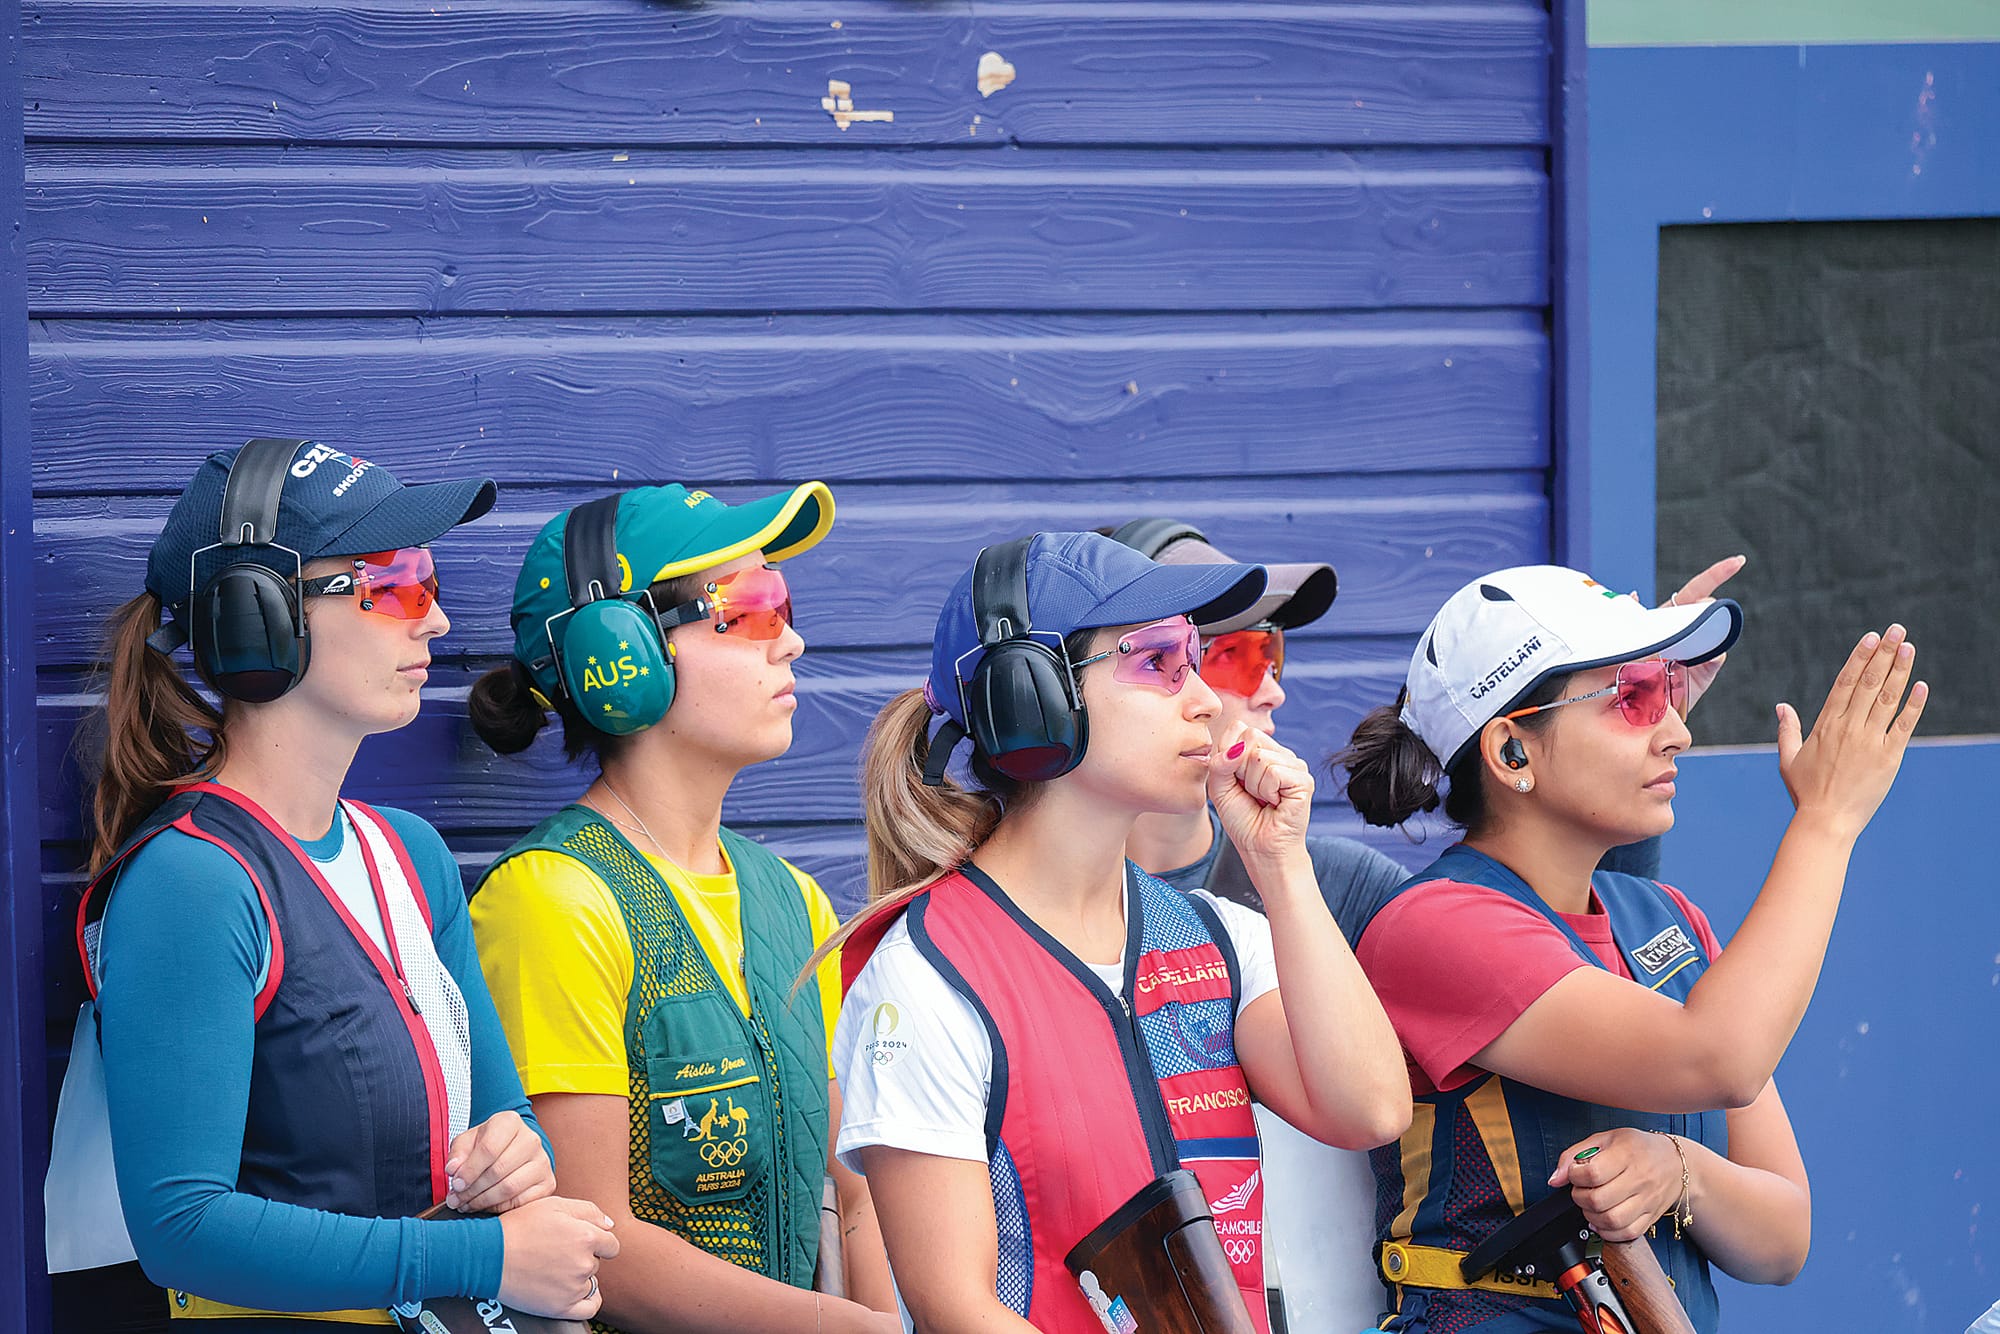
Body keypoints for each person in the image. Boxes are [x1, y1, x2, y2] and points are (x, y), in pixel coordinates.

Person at [56, 439, 617, 1332]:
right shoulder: (194, 882)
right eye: (392, 584)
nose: (433, 620)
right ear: (259, 614)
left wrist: (518, 1157)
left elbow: (507, 1116)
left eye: (428, 583)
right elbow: (181, 1228)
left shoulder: (413, 855)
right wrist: (491, 1254)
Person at [825, 531, 1411, 1334]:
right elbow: (955, 1309)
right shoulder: (926, 977)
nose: (1204, 697)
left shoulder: (1218, 936)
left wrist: (1282, 867)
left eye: (1199, 659)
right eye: (1159, 661)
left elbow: (1370, 1110)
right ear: (1033, 698)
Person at [1336, 564, 1927, 1333]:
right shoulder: (1437, 927)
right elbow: (1719, 1057)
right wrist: (1826, 822)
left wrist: (1681, 1173)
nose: (1678, 730)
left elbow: (1783, 1240)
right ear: (1512, 753)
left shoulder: (1663, 915)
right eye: (1632, 697)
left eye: (1669, 691)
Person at [465, 483, 899, 1334]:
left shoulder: (792, 901)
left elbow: (861, 1188)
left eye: (784, 603)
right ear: (619, 652)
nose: (794, 640)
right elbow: (595, 1243)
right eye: (751, 608)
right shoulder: (554, 900)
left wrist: (888, 1320)